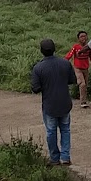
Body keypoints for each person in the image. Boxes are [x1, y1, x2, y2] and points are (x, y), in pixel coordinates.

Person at [29, 38, 76, 166]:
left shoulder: (38, 68)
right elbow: (72, 80)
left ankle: (55, 158)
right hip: (65, 102)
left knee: (51, 131)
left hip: (49, 104)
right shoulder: (65, 63)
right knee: (65, 129)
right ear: (55, 49)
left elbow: (35, 88)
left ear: (41, 51)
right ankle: (65, 157)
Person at [65, 30, 91, 103]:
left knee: (85, 85)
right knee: (82, 84)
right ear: (78, 38)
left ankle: (82, 97)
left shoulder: (89, 48)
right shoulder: (76, 47)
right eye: (81, 36)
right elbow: (69, 55)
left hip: (86, 68)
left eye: (85, 36)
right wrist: (63, 62)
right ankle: (83, 101)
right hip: (77, 68)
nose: (83, 38)